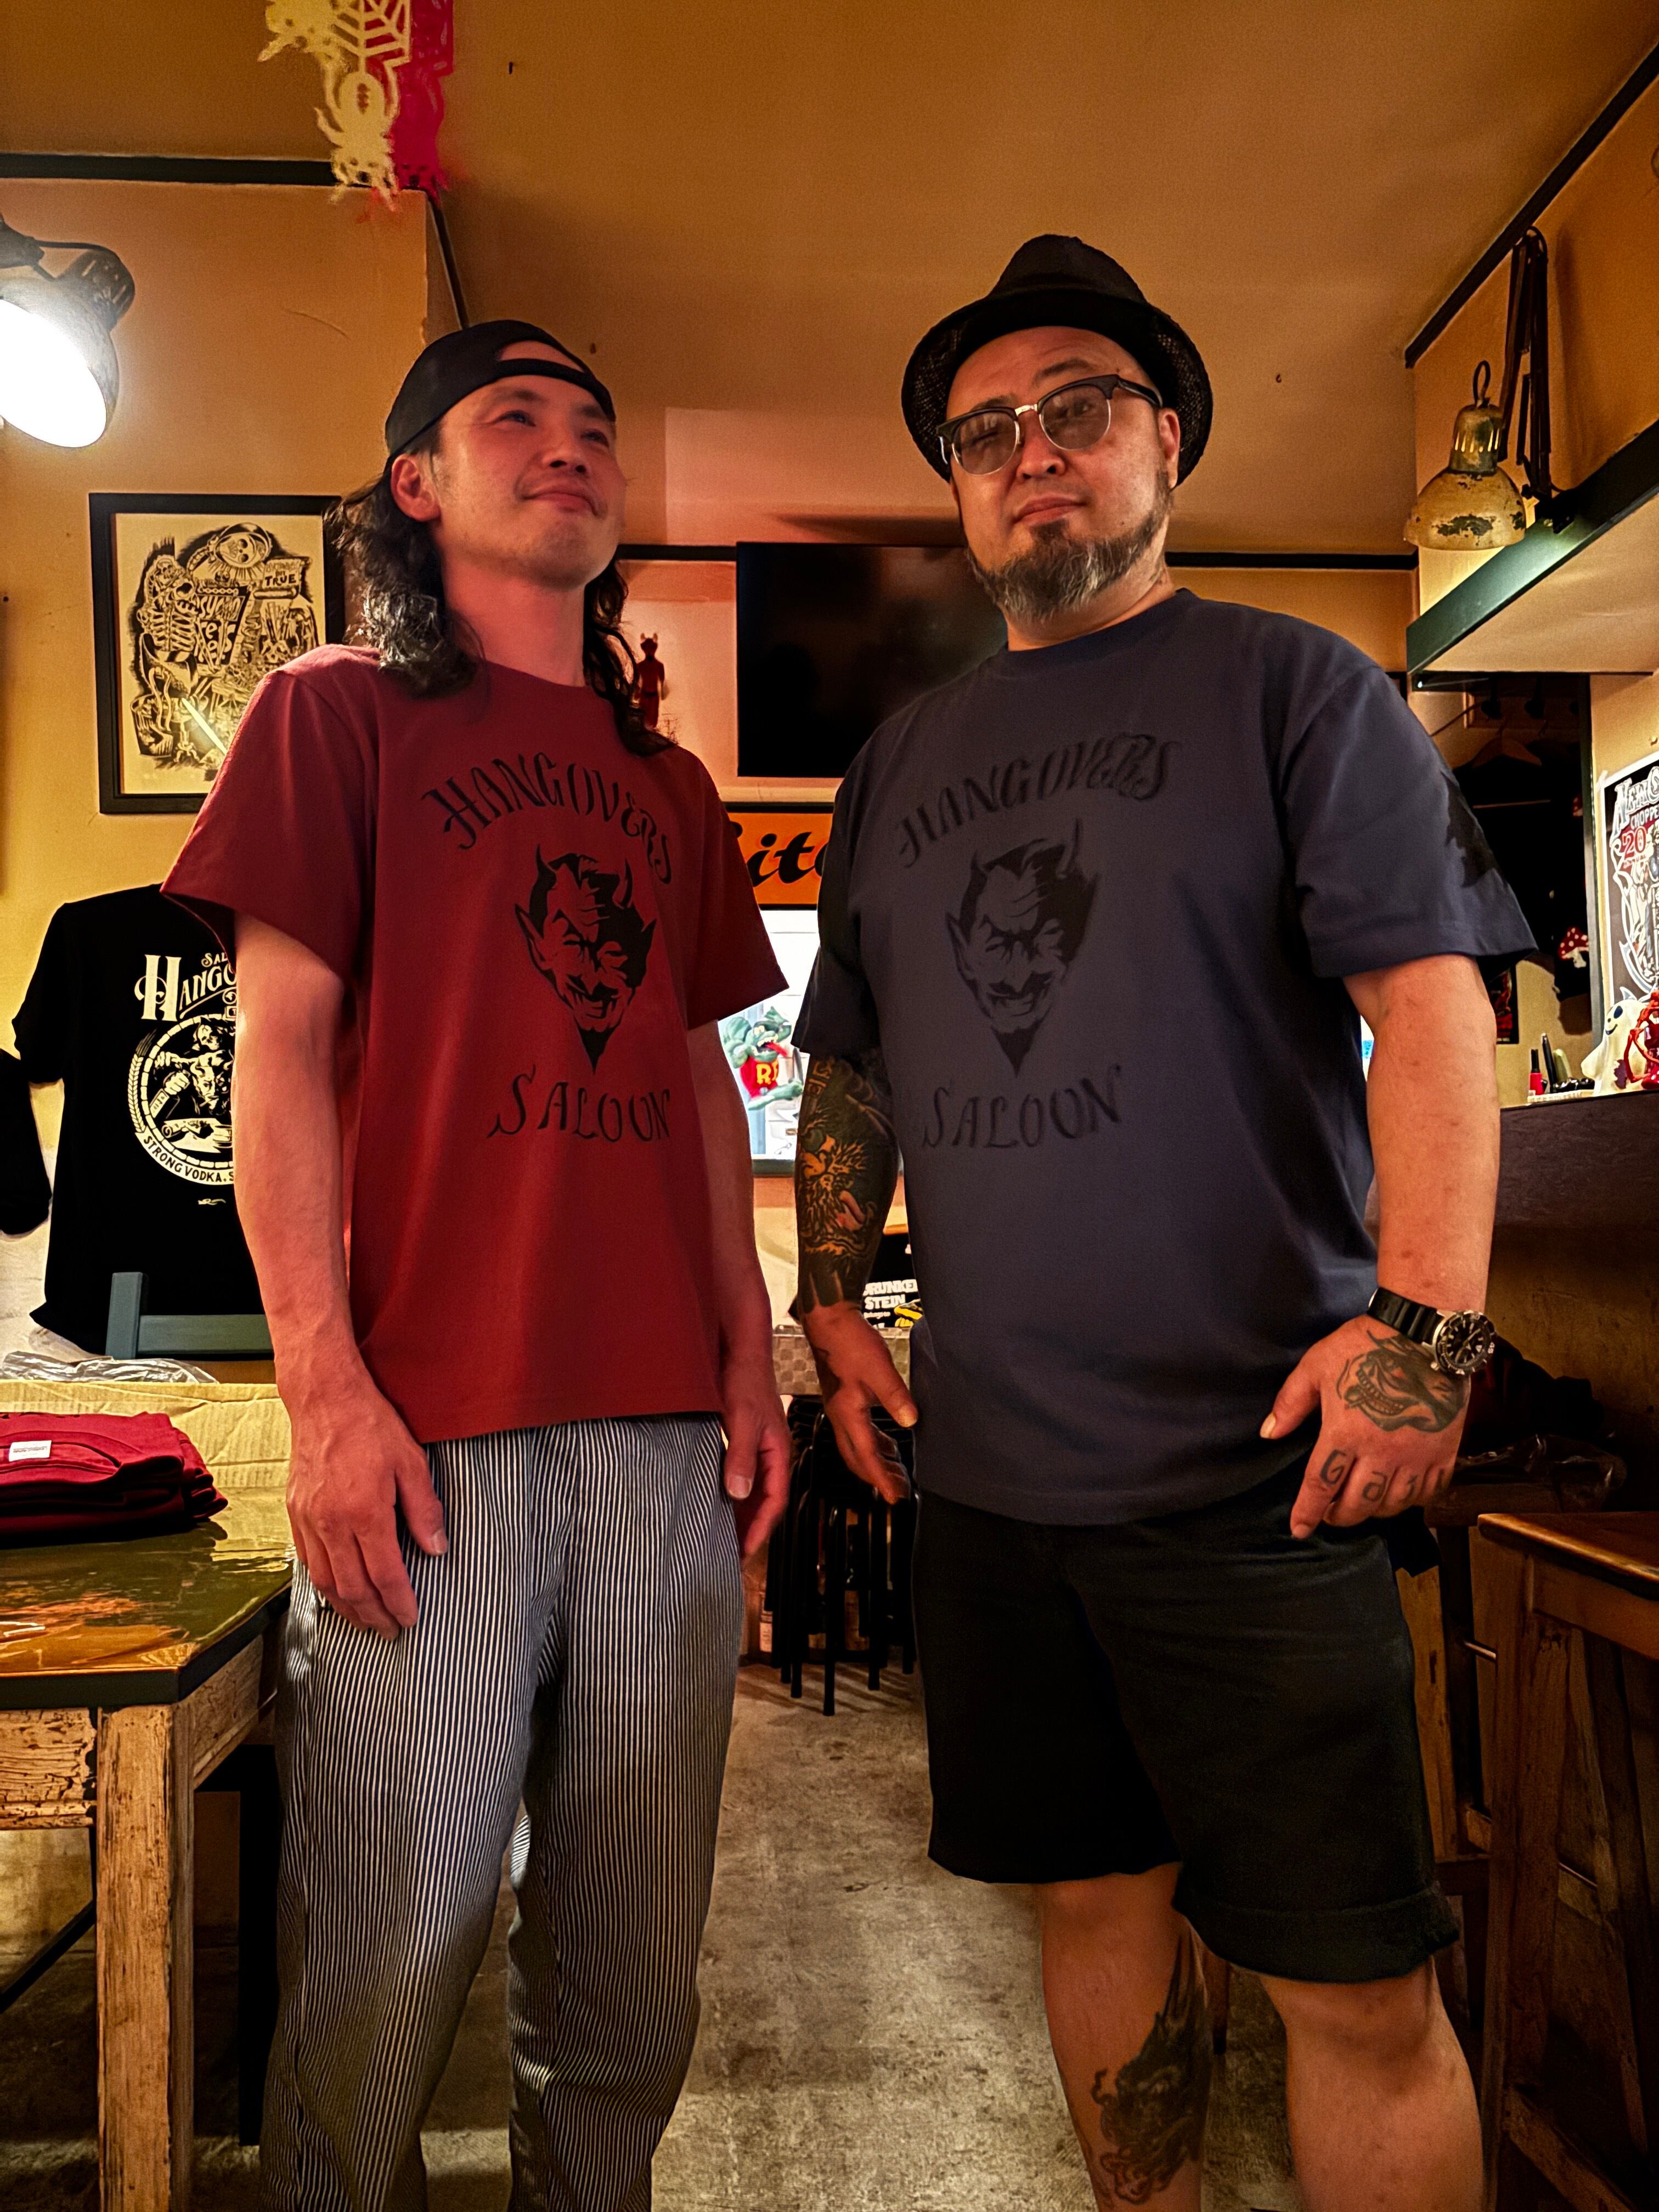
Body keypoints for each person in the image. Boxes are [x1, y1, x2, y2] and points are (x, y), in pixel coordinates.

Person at [791, 236, 1532, 2212]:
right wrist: (833, 1301)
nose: (1033, 454)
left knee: (1353, 1986)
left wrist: (1427, 1333)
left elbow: (1435, 1013)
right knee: (1093, 1916)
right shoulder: (899, 762)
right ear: (960, 491)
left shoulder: (1298, 690)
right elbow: (849, 1060)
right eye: (986, 433)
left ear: (1169, 443)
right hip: (996, 1485)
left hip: (1259, 1479)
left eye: (1081, 410)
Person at [166, 319, 792, 2212]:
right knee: (383, 1966)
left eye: (594, 424)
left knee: (631, 1980)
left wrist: (750, 1354)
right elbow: (277, 1061)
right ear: (417, 485)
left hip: (663, 1449)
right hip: (428, 1438)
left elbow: (701, 1082)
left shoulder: (669, 787)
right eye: (514, 416)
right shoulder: (331, 714)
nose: (568, 445)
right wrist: (323, 1389)